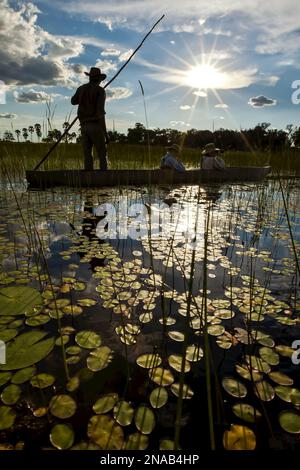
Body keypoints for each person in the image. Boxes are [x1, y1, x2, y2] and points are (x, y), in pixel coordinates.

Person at [71, 67, 109, 170]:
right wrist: (105, 133)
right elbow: (100, 113)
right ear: (99, 79)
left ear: (90, 78)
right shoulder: (100, 91)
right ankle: (103, 177)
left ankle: (88, 178)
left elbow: (73, 101)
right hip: (95, 125)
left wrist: (83, 97)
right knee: (102, 153)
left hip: (83, 126)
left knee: (87, 154)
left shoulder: (81, 89)